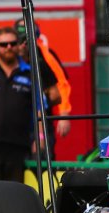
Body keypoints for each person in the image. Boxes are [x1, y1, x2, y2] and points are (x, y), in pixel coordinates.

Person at [0, 26, 60, 183]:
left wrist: (40, 136)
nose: (8, 47)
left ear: (18, 45)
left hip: (19, 144)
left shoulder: (30, 72)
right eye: (3, 44)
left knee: (14, 193)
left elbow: (39, 108)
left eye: (12, 43)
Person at [15, 19, 72, 150]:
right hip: (16, 124)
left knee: (43, 159)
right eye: (20, 35)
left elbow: (62, 84)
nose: (24, 42)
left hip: (42, 120)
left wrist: (64, 115)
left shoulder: (45, 57)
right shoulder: (7, 58)